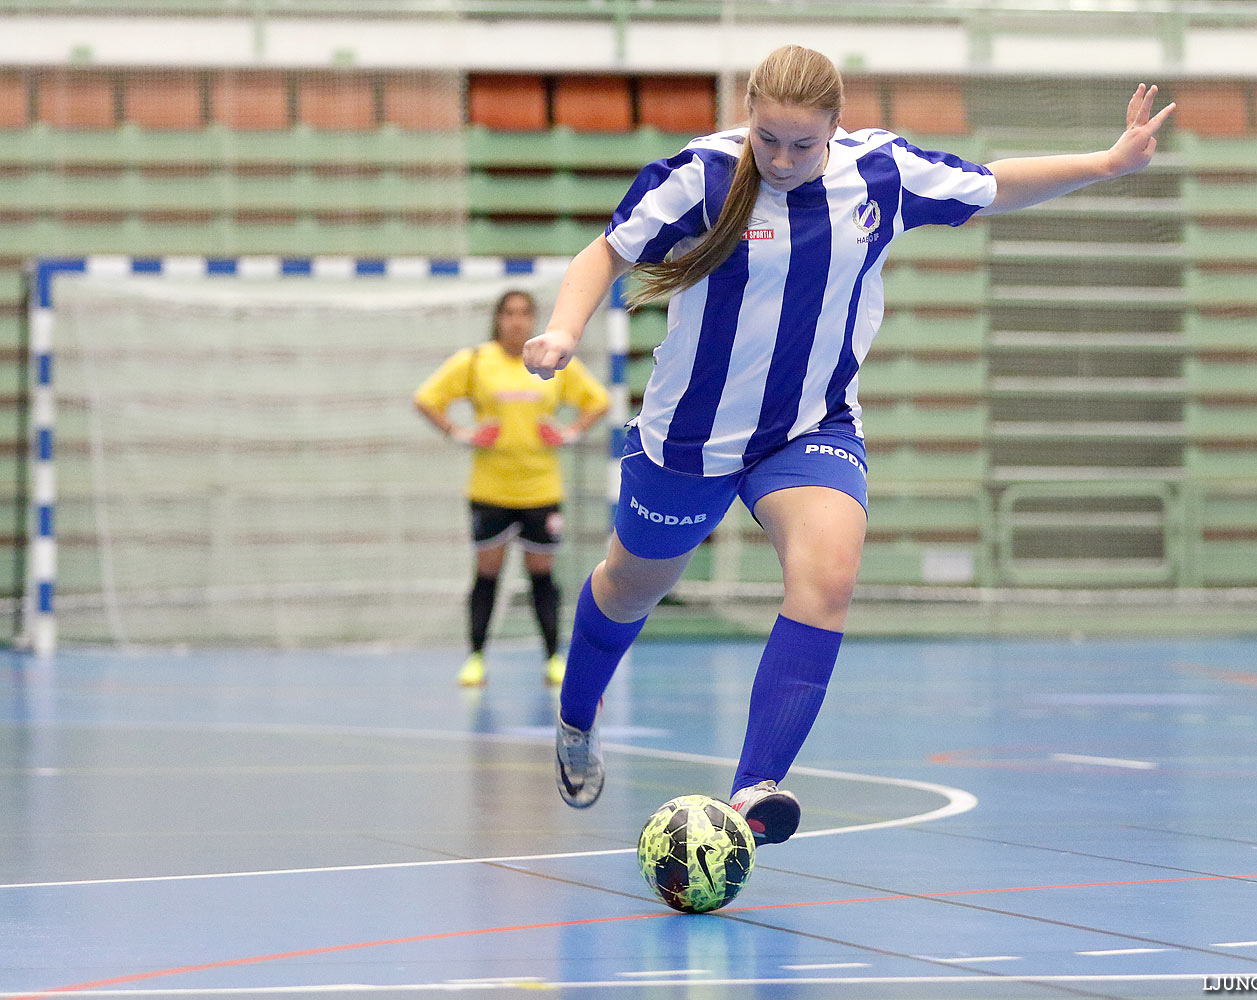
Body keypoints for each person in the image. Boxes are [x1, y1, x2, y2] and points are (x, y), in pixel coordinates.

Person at [523, 45, 1175, 843]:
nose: (784, 158)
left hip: (811, 428)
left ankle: (753, 789)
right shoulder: (701, 175)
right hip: (691, 437)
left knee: (827, 577)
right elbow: (608, 251)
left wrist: (1108, 163)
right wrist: (562, 329)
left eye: (803, 143)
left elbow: (995, 184)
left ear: (836, 128)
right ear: (749, 119)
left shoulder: (880, 175)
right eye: (768, 139)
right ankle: (577, 716)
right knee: (630, 589)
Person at [414, 289, 610, 688]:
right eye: (510, 313)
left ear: (533, 319)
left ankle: (554, 658)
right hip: (490, 490)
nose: (517, 321)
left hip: (541, 489)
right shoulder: (475, 362)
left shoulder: (551, 362)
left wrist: (569, 433)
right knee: (487, 574)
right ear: (498, 319)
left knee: (542, 576)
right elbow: (427, 399)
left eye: (525, 314)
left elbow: (598, 401)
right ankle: (475, 658)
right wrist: (461, 434)